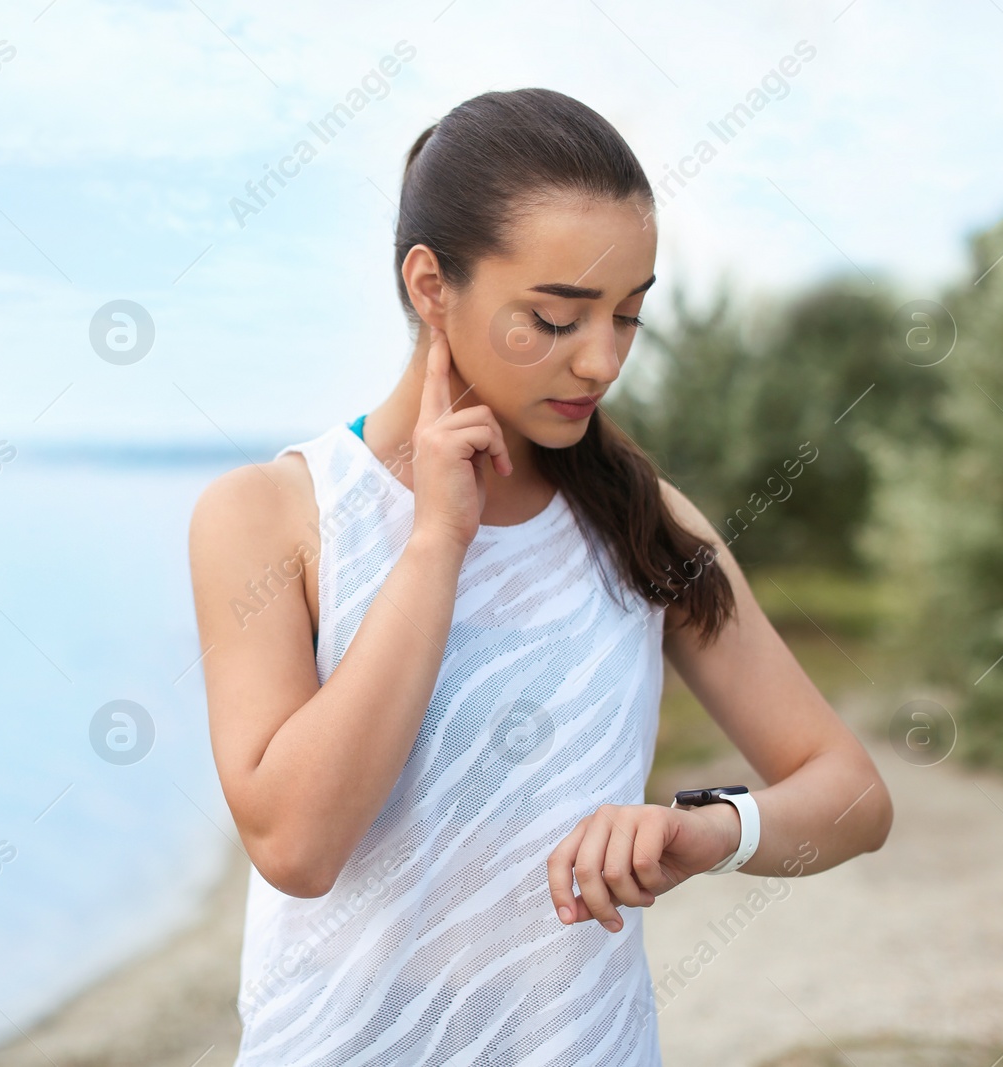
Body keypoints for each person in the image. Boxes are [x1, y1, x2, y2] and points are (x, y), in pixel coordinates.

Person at [187, 87, 892, 1066]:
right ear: (431, 285)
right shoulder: (270, 515)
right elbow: (297, 846)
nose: (601, 360)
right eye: (556, 317)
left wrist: (702, 831)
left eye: (628, 315)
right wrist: (437, 542)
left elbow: (853, 798)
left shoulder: (645, 520)